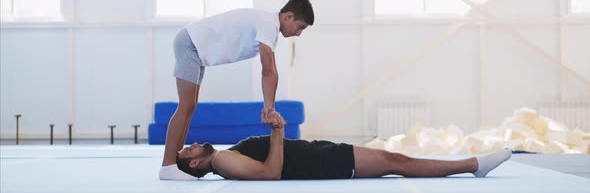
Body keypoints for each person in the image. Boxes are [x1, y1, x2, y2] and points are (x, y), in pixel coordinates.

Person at [159, 0, 315, 180]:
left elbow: (269, 68)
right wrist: (269, 108)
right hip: (190, 44)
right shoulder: (268, 24)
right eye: (301, 26)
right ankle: (168, 166)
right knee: (185, 106)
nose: (298, 33)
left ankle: (177, 161)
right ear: (288, 16)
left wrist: (269, 107)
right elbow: (268, 69)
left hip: (194, 47)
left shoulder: (267, 24)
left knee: (190, 106)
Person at [176, 111, 512, 180]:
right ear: (196, 164)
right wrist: (278, 132)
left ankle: (472, 165)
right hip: (324, 163)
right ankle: (472, 166)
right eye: (187, 151)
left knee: (395, 159)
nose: (191, 145)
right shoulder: (222, 162)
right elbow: (270, 174)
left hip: (318, 154)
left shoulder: (223, 156)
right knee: (395, 161)